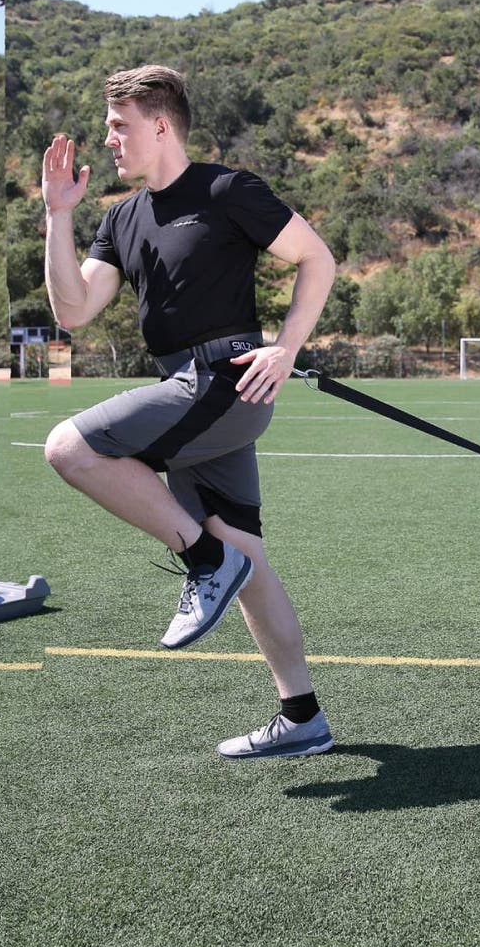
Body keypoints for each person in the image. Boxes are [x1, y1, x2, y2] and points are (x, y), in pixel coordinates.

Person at [41, 65, 338, 759]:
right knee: (250, 561)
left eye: (119, 126)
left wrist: (287, 348)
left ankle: (205, 559)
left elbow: (316, 259)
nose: (109, 140)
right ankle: (302, 717)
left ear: (160, 125)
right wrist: (57, 215)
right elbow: (73, 310)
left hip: (225, 384)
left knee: (68, 447)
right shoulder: (121, 218)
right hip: (188, 390)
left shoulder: (225, 191)